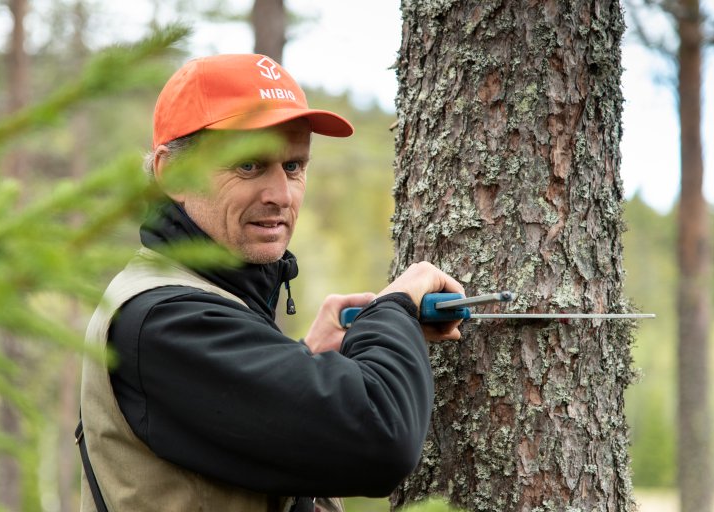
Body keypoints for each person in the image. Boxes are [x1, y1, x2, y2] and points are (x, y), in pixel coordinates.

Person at [77, 54, 464, 512]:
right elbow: (381, 437)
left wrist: (304, 359)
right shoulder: (164, 320)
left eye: (294, 167)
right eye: (248, 166)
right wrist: (394, 310)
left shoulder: (201, 301)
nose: (281, 194)